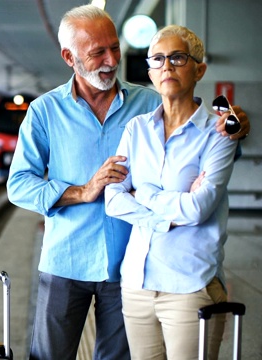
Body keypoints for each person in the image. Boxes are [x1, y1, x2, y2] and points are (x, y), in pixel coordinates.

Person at [6, 4, 250, 360]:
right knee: (49, 356)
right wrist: (82, 191)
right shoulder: (45, 111)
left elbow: (209, 156)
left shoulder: (150, 102)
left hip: (129, 267)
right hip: (65, 262)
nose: (111, 60)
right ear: (68, 57)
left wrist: (236, 133)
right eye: (97, 52)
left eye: (115, 48)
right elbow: (19, 184)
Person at [104, 25, 236, 360]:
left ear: (199, 69)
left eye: (178, 58)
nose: (167, 66)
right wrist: (168, 215)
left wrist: (143, 192)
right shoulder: (136, 130)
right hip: (136, 284)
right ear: (149, 71)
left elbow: (198, 210)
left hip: (190, 285)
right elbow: (113, 199)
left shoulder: (218, 135)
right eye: (158, 59)